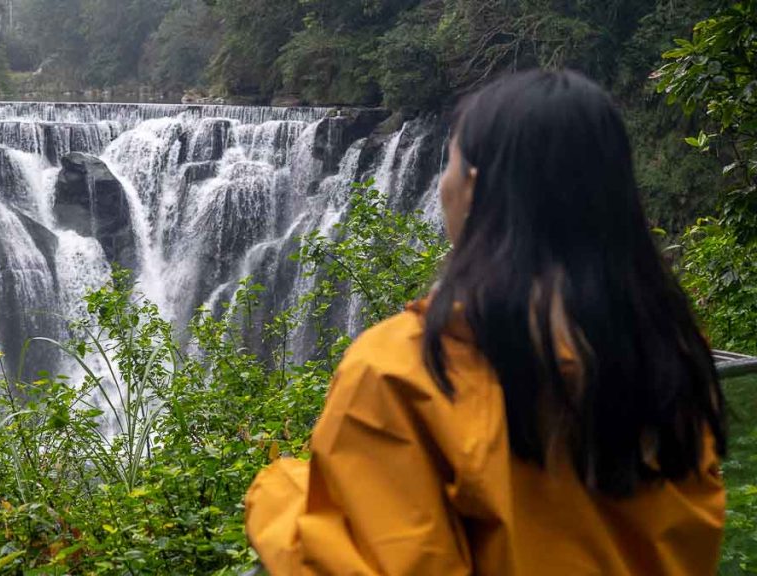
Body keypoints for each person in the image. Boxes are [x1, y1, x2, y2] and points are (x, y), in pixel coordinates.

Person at [244, 69, 727, 575]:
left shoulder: (403, 371)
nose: (444, 184)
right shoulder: (674, 361)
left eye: (449, 163)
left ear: (472, 187)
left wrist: (277, 494)